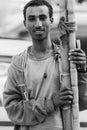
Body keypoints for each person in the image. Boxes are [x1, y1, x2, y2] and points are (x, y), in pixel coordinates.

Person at [3, 0, 87, 130]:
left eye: (42, 17)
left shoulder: (66, 58)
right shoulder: (18, 63)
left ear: (51, 20)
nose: (38, 24)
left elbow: (82, 103)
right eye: (32, 19)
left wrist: (81, 71)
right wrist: (50, 103)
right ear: (25, 23)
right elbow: (12, 110)